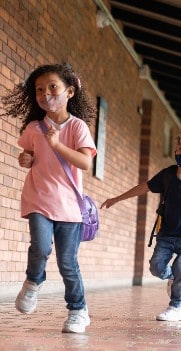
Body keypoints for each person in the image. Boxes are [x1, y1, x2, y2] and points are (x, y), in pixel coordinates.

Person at [1, 63, 97, 333]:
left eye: (52, 87)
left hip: (69, 207)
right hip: (39, 199)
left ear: (69, 92)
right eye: (39, 90)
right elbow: (28, 156)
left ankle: (78, 311)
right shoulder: (34, 127)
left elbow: (85, 163)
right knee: (40, 247)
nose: (46, 94)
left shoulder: (77, 127)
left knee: (68, 263)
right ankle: (33, 282)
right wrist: (26, 159)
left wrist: (57, 145)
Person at [100, 129, 181, 322]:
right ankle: (170, 276)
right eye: (180, 148)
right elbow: (143, 187)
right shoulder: (167, 175)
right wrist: (116, 199)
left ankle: (175, 307)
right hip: (166, 234)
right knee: (155, 267)